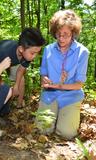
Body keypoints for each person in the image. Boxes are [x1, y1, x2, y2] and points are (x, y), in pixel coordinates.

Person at [36, 9, 89, 139]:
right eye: (58, 34)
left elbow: (78, 84)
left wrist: (58, 85)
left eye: (65, 34)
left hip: (71, 96)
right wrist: (45, 80)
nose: (61, 38)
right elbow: (43, 75)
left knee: (67, 133)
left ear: (73, 33)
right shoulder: (48, 49)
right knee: (42, 129)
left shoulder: (82, 52)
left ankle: (67, 116)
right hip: (50, 95)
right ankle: (55, 115)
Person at [0, 28, 46, 108]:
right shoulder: (5, 53)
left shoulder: (28, 55)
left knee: (21, 80)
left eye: (37, 53)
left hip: (14, 60)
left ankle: (19, 105)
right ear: (21, 49)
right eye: (33, 53)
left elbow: (20, 71)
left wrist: (16, 86)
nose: (34, 56)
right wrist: (1, 83)